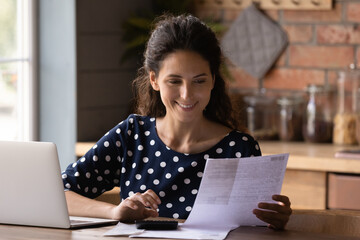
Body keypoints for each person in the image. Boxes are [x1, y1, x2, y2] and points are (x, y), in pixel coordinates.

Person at [62, 14, 292, 229]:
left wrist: (275, 222)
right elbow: (57, 193)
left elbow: (253, 227)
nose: (186, 95)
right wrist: (115, 212)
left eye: (199, 81)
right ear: (154, 80)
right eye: (174, 81)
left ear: (213, 79)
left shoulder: (240, 149)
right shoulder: (131, 136)